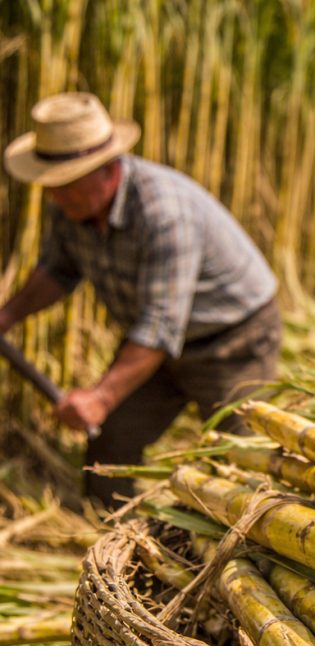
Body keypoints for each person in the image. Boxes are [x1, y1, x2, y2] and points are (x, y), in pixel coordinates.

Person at [1, 92, 281, 508]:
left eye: (67, 184)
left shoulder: (163, 211)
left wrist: (99, 397)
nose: (55, 197)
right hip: (153, 347)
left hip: (232, 341)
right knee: (109, 452)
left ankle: (250, 548)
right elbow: (58, 271)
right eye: (52, 185)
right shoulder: (70, 206)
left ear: (107, 169)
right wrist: (8, 313)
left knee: (243, 459)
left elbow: (159, 325)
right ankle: (108, 537)